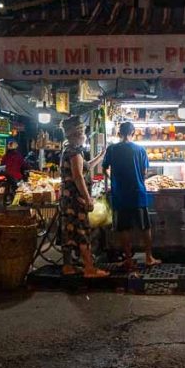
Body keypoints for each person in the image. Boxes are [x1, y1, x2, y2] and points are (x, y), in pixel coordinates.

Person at [58, 116, 109, 279]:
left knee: (69, 231)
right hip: (75, 199)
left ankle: (68, 267)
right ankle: (89, 268)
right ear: (77, 134)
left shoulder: (70, 149)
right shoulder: (74, 152)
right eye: (84, 133)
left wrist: (101, 156)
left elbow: (86, 167)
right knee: (81, 231)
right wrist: (88, 198)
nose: (86, 136)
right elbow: (78, 176)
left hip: (68, 198)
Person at [103, 122, 160, 267]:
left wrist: (113, 179)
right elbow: (144, 172)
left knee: (124, 228)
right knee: (145, 227)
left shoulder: (112, 149)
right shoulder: (140, 149)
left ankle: (128, 260)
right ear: (133, 132)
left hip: (120, 194)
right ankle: (148, 258)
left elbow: (105, 169)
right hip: (138, 193)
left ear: (119, 133)